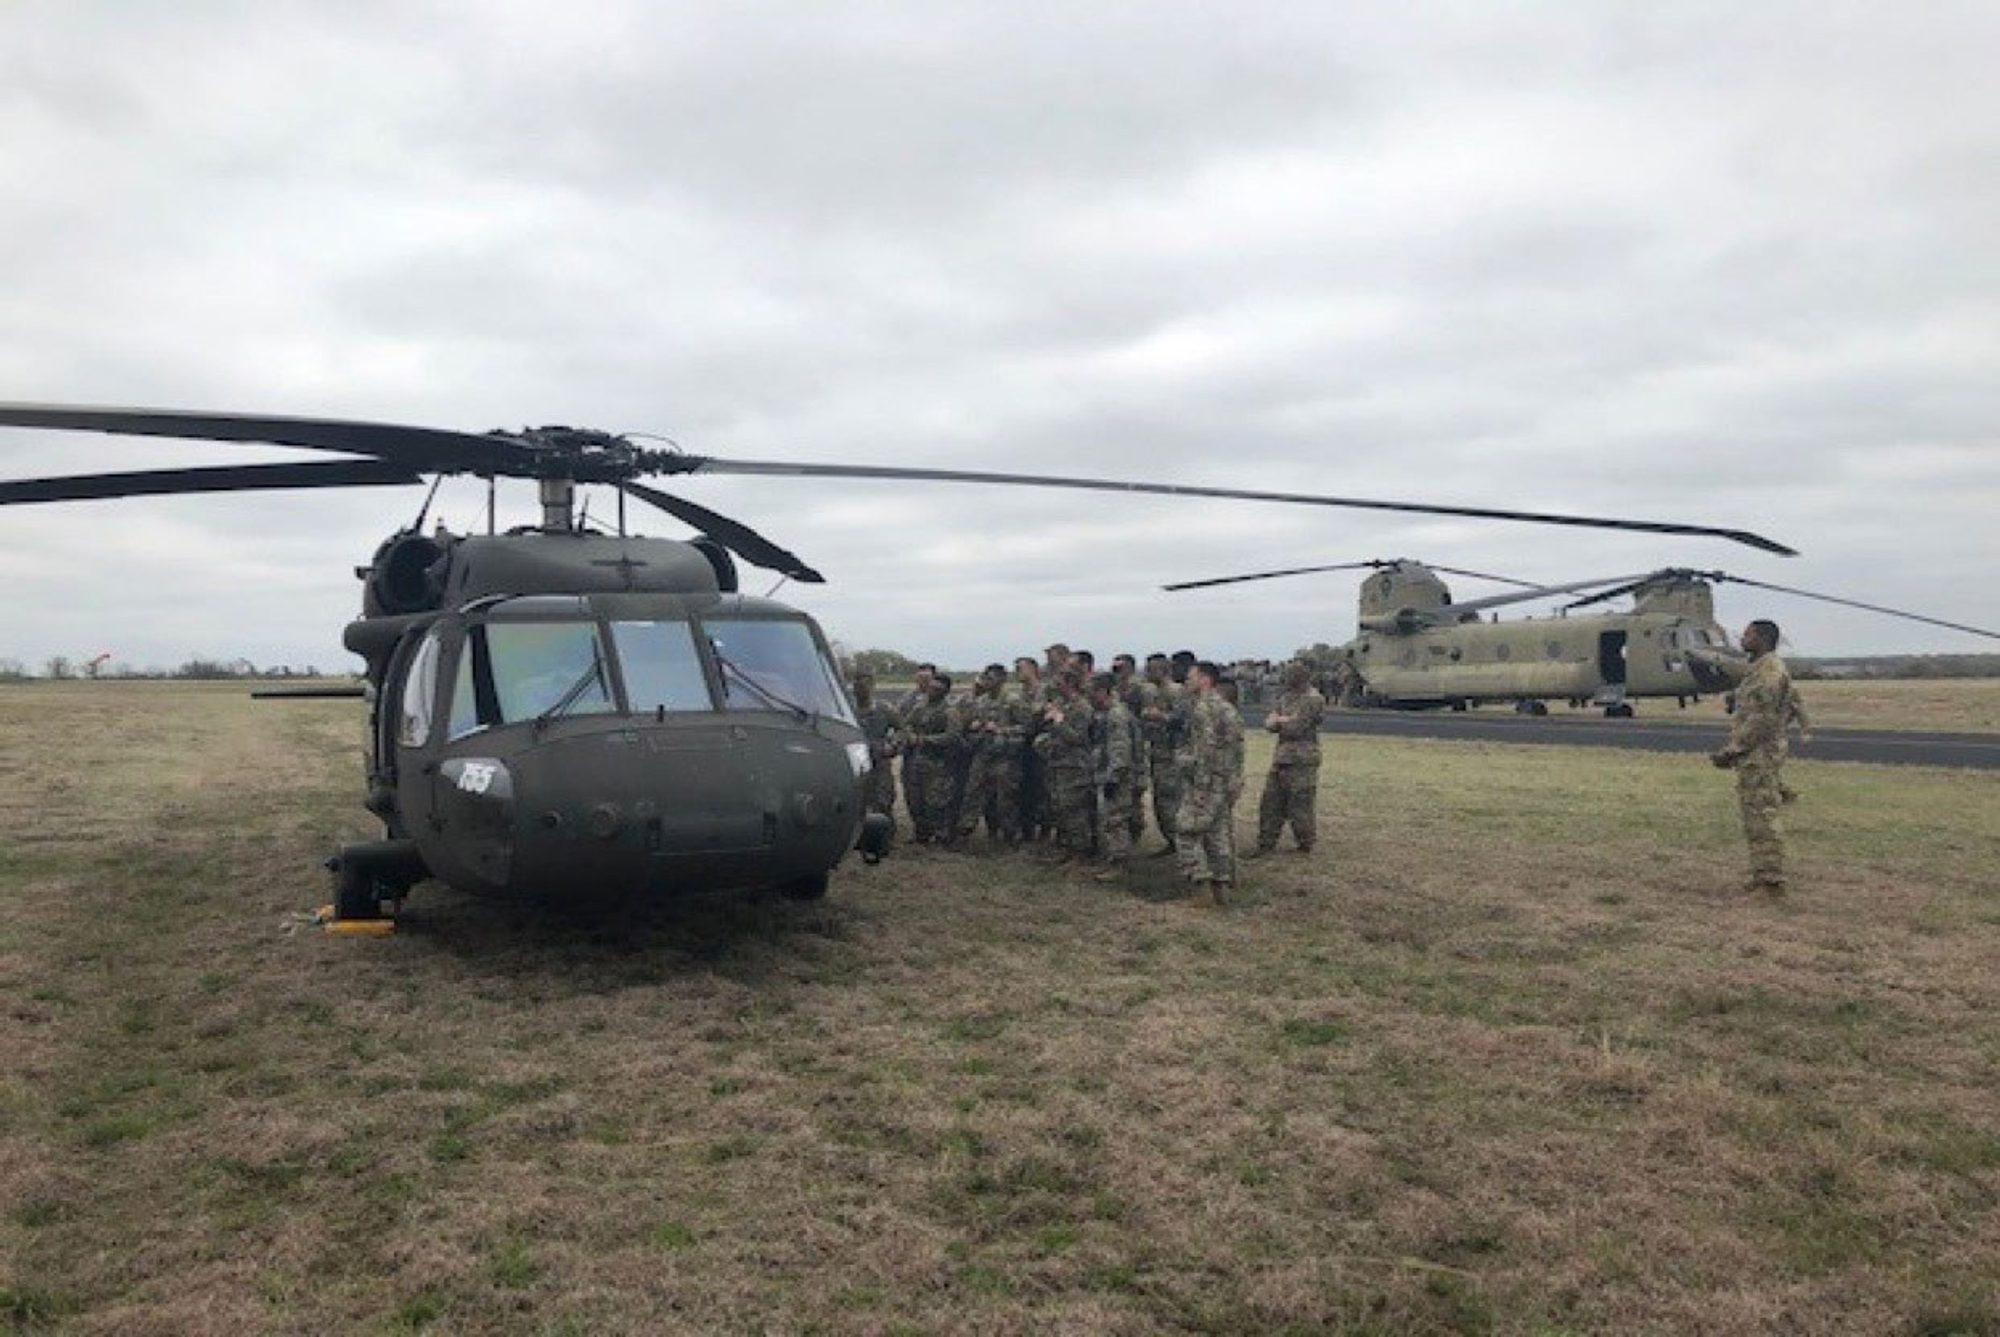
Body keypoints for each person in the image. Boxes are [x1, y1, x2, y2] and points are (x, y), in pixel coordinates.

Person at [1709, 619, 1798, 894]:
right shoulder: (1759, 669)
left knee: (1762, 817)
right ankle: (1764, 874)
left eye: (1747, 635)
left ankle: (1770, 879)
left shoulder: (1768, 671)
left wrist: (1732, 751)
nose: (1742, 639)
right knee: (1756, 814)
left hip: (1758, 754)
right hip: (1758, 754)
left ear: (1761, 638)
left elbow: (1762, 719)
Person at [1176, 660, 1242, 904]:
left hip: (1205, 782)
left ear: (1205, 679)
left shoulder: (1204, 709)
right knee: (1217, 835)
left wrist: (1184, 762)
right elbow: (1237, 750)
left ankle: (1200, 887)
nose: (1187, 681)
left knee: (1187, 831)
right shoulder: (1228, 709)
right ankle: (1220, 887)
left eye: (1191, 677)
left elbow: (1204, 751)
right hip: (1224, 780)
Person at [1250, 662, 1326, 857]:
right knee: (1271, 802)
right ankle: (1265, 844)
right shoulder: (1286, 697)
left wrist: (1281, 721)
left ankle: (1305, 844)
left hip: (1302, 758)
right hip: (1282, 756)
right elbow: (1268, 724)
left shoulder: (1313, 699)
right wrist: (1281, 720)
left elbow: (1296, 728)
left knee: (1300, 804)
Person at [957, 664, 1029, 846]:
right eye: (986, 678)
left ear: (1002, 680)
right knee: (973, 792)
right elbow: (970, 724)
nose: (988, 682)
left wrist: (1002, 730)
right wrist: (975, 726)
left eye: (991, 678)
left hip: (1005, 756)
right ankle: (966, 830)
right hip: (983, 753)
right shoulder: (981, 702)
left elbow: (1026, 728)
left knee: (1006, 797)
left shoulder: (1013, 701)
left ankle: (1010, 834)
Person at [1034, 669, 1097, 861]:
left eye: (1059, 682)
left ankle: (1081, 850)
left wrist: (1059, 722)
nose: (1055, 686)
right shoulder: (1062, 704)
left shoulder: (1082, 707)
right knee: (1060, 808)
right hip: (1058, 764)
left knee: (1075, 809)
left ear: (1070, 683)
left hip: (1075, 767)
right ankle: (1066, 847)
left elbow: (1079, 738)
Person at [1088, 673, 1141, 878]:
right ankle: (1113, 859)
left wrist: (1114, 776)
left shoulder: (1116, 715)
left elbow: (1121, 750)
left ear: (1102, 692)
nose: (1089, 696)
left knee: (1115, 819)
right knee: (1112, 819)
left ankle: (1118, 864)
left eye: (1092, 691)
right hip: (1112, 773)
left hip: (1119, 777)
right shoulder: (1109, 713)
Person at [900, 674, 962, 844]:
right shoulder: (920, 708)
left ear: (944, 692)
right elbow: (904, 724)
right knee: (915, 799)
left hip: (938, 763)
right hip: (918, 760)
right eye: (930, 688)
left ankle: (942, 835)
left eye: (936, 689)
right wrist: (910, 735)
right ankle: (921, 834)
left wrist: (925, 740)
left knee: (936, 801)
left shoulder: (950, 711)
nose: (931, 692)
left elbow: (953, 736)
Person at [1135, 653, 1186, 854]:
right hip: (1158, 752)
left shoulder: (1176, 691)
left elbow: (1183, 721)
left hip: (1172, 755)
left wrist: (1161, 717)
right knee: (1160, 802)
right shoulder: (1152, 692)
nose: (1147, 673)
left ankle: (1180, 842)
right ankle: (1172, 840)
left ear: (1163, 670)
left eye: (1151, 669)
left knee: (1171, 801)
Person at [852, 672, 901, 841]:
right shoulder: (848, 709)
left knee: (883, 799)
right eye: (858, 687)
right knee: (858, 799)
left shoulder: (884, 708)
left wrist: (893, 745)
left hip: (879, 760)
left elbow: (902, 729)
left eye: (865, 686)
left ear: (872, 687)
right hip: (856, 760)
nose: (861, 691)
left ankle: (886, 837)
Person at [1014, 656, 1049, 841]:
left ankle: (1043, 829)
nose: (1018, 671)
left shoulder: (1042, 691)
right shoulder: (1020, 693)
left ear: (1033, 669)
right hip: (1021, 744)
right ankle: (1026, 829)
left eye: (1021, 668)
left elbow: (1037, 718)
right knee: (1023, 788)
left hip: (1039, 745)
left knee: (1040, 788)